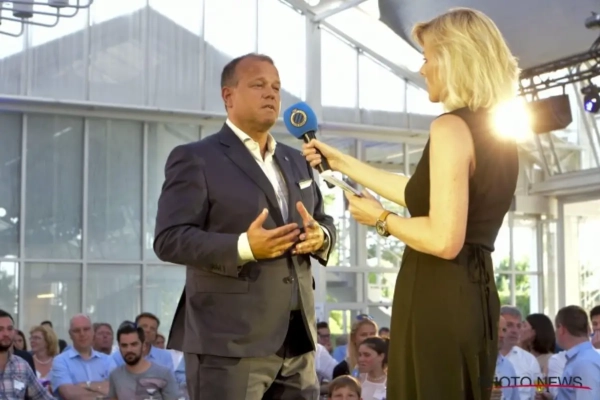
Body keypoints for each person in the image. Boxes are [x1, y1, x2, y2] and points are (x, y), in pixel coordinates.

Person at [302, 7, 519, 400]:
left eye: (428, 57)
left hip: (438, 290)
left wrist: (381, 219)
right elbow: (423, 192)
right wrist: (342, 162)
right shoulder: (497, 133)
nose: (422, 69)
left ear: (453, 59)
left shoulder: (451, 127)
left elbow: (444, 238)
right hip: (475, 293)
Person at [154, 53, 337, 400]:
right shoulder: (196, 158)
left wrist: (321, 237)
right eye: (258, 85)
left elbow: (322, 220)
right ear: (228, 96)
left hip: (298, 342)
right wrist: (245, 247)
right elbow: (169, 239)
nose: (271, 94)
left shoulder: (297, 160)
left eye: (276, 87)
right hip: (228, 344)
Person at [108, 322, 179, 400]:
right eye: (124, 345)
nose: (129, 350)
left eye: (134, 344)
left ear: (144, 346)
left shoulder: (164, 374)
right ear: (119, 347)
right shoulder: (115, 375)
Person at [0, 309, 54, 400]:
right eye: (0, 329)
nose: (6, 334)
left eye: (9, 329)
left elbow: (43, 396)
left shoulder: (21, 365)